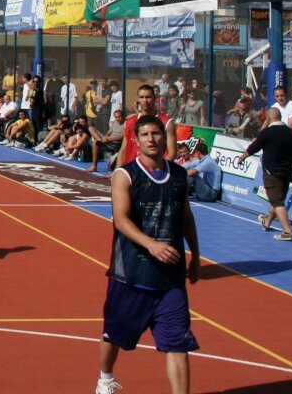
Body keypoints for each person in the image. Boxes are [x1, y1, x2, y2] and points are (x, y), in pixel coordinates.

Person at [96, 116, 200, 394]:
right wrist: (151, 244)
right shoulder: (125, 174)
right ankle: (105, 378)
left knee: (178, 344)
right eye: (145, 134)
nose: (152, 138)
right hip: (131, 273)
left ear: (166, 139)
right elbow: (120, 219)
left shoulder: (178, 175)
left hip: (170, 279)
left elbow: (186, 217)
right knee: (114, 335)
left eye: (157, 133)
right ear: (136, 140)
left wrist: (197, 256)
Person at [236, 107, 292, 241]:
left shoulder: (266, 132)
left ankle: (287, 231)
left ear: (269, 118)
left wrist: (241, 158)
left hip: (272, 172)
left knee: (277, 202)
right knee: (277, 199)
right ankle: (267, 223)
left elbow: (253, 148)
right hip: (288, 172)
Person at [113, 84, 176, 171]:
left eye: (148, 97)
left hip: (155, 172)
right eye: (142, 97)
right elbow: (123, 149)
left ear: (154, 98)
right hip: (132, 171)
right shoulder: (130, 121)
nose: (145, 100)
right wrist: (118, 170)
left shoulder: (167, 122)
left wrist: (159, 171)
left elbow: (172, 152)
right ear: (138, 99)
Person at [87, 110, 125, 174]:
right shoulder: (115, 123)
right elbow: (108, 133)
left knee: (96, 143)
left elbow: (121, 137)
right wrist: (105, 137)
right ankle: (100, 140)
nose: (118, 119)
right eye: (116, 117)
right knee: (91, 128)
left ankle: (100, 140)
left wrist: (109, 139)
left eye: (119, 117)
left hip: (115, 143)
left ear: (123, 116)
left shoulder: (126, 124)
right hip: (108, 141)